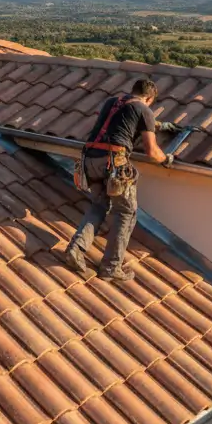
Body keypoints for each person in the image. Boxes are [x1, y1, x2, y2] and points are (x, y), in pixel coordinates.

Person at [62, 78, 175, 282]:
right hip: (114, 164)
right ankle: (111, 267)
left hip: (90, 160)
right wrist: (166, 160)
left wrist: (158, 125)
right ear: (149, 98)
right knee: (125, 212)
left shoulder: (112, 102)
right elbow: (151, 151)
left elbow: (122, 122)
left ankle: (76, 249)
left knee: (99, 205)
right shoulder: (144, 109)